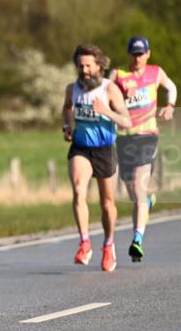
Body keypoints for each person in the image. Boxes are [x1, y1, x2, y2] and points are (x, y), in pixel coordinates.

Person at [62, 44, 134, 272]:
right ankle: (84, 242)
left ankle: (108, 244)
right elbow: (66, 108)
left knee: (107, 203)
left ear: (99, 66)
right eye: (80, 65)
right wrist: (67, 125)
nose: (84, 70)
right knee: (78, 190)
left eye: (88, 66)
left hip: (105, 149)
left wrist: (106, 112)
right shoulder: (72, 89)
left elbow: (127, 122)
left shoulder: (109, 89)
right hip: (81, 148)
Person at [112, 35, 177, 262]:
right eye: (134, 54)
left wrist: (169, 106)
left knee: (139, 187)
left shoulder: (155, 72)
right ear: (128, 54)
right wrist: (120, 95)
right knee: (132, 191)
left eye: (141, 54)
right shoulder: (118, 74)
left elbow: (171, 87)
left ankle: (137, 239)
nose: (137, 58)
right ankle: (147, 203)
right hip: (124, 136)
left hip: (147, 135)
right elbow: (103, 95)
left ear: (148, 53)